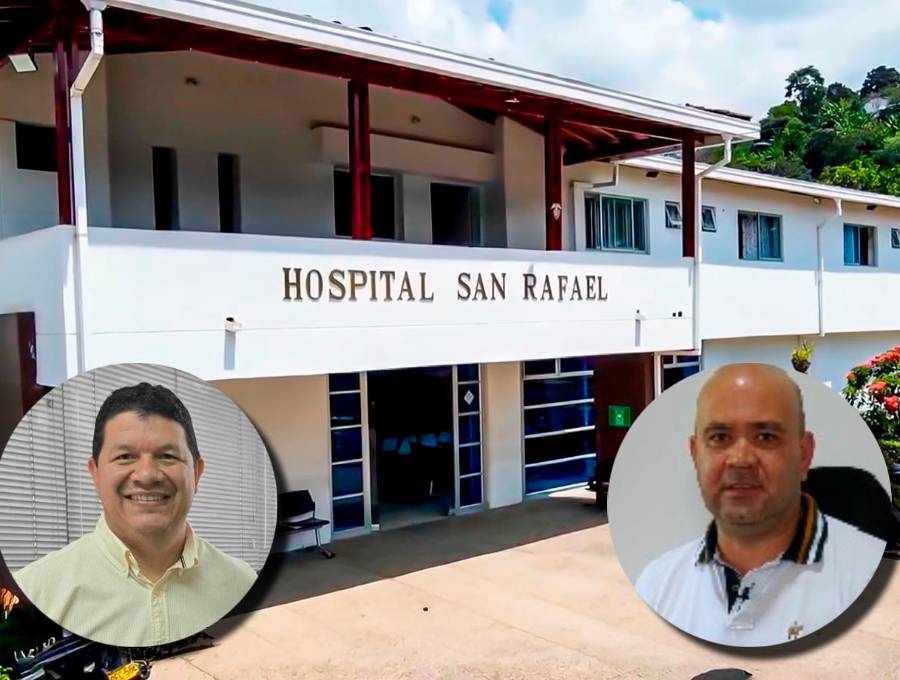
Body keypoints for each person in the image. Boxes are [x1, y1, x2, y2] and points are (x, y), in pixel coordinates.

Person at [635, 363, 885, 647]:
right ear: (695, 455)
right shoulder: (659, 581)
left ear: (804, 455)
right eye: (719, 437)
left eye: (766, 437)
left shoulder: (859, 573)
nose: (740, 459)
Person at [14, 383, 258, 647]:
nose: (147, 475)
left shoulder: (242, 585)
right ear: (95, 474)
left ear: (196, 474)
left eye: (167, 456)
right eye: (125, 456)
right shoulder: (32, 594)